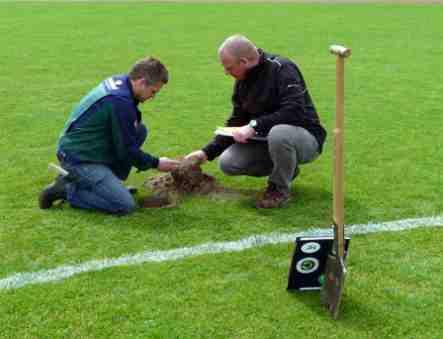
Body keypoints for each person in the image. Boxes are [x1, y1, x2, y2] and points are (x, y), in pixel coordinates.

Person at [186, 35, 327, 208]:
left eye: (228, 67)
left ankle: (278, 190)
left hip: (305, 138)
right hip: (268, 140)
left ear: (244, 61)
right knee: (228, 163)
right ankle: (287, 169)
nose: (226, 72)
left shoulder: (283, 69)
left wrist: (254, 126)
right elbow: (237, 120)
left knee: (279, 133)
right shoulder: (242, 82)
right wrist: (205, 153)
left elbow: (294, 111)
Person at [39, 57, 180, 215]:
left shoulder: (122, 82)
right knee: (125, 205)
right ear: (141, 82)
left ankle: (108, 185)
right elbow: (127, 150)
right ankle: (66, 190)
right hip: (78, 158)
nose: (152, 97)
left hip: (85, 146)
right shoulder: (120, 102)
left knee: (139, 131)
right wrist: (156, 163)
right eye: (153, 92)